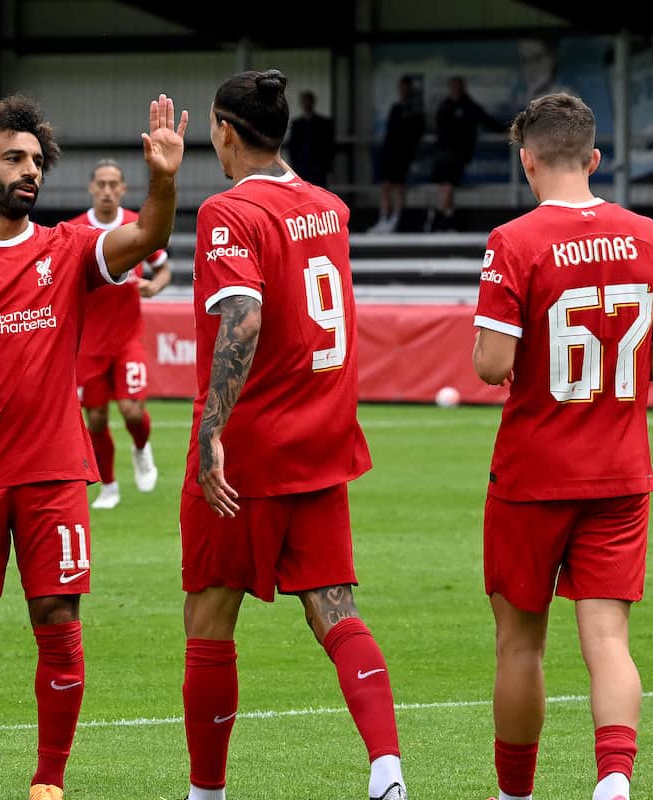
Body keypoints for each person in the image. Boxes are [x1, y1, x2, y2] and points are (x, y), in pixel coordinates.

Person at [0, 94, 185, 800]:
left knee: (57, 618)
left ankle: (49, 781)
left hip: (54, 469)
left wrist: (164, 177)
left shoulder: (66, 249)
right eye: (14, 158)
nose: (30, 171)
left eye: (37, 160)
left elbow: (151, 235)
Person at [180, 69, 406, 800]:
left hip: (250, 448)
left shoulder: (225, 212)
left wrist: (214, 428)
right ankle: (386, 769)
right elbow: (290, 198)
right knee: (336, 608)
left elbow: (242, 314)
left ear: (221, 130)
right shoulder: (329, 207)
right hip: (323, 439)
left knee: (210, 614)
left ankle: (207, 793)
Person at [471, 93, 653, 800]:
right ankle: (615, 784)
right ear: (595, 159)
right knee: (608, 641)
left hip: (534, 473)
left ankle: (515, 795)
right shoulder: (650, 237)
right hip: (620, 472)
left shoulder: (515, 241)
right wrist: (604, 370)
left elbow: (491, 364)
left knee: (521, 646)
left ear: (527, 162)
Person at [69, 158, 172, 510]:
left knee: (131, 410)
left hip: (128, 338)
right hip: (89, 345)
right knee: (95, 417)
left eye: (114, 184)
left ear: (124, 188)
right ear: (91, 188)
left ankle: (142, 448)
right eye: (102, 183)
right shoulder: (75, 231)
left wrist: (154, 287)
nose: (108, 190)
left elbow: (162, 269)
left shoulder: (137, 226)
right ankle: (109, 485)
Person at [428, 77, 507, 232]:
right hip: (443, 154)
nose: (455, 89)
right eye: (452, 86)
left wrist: (506, 130)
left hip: (457, 155)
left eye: (457, 86)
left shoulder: (469, 106)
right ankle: (447, 219)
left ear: (462, 87)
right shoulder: (445, 106)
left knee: (448, 186)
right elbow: (438, 127)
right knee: (445, 186)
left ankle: (438, 221)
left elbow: (486, 120)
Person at [370, 76, 425, 233]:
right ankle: (383, 218)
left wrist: (409, 150)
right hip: (390, 152)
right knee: (385, 185)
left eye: (404, 88)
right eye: (400, 88)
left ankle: (396, 219)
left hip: (403, 153)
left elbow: (416, 134)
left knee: (399, 186)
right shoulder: (396, 107)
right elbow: (389, 130)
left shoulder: (415, 110)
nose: (402, 91)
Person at [285, 90, 335, 188]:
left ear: (313, 102)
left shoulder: (324, 123)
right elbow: (293, 146)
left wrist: (327, 165)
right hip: (301, 166)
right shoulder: (297, 124)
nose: (306, 104)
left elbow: (329, 146)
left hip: (319, 167)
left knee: (319, 190)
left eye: (308, 101)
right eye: (304, 101)